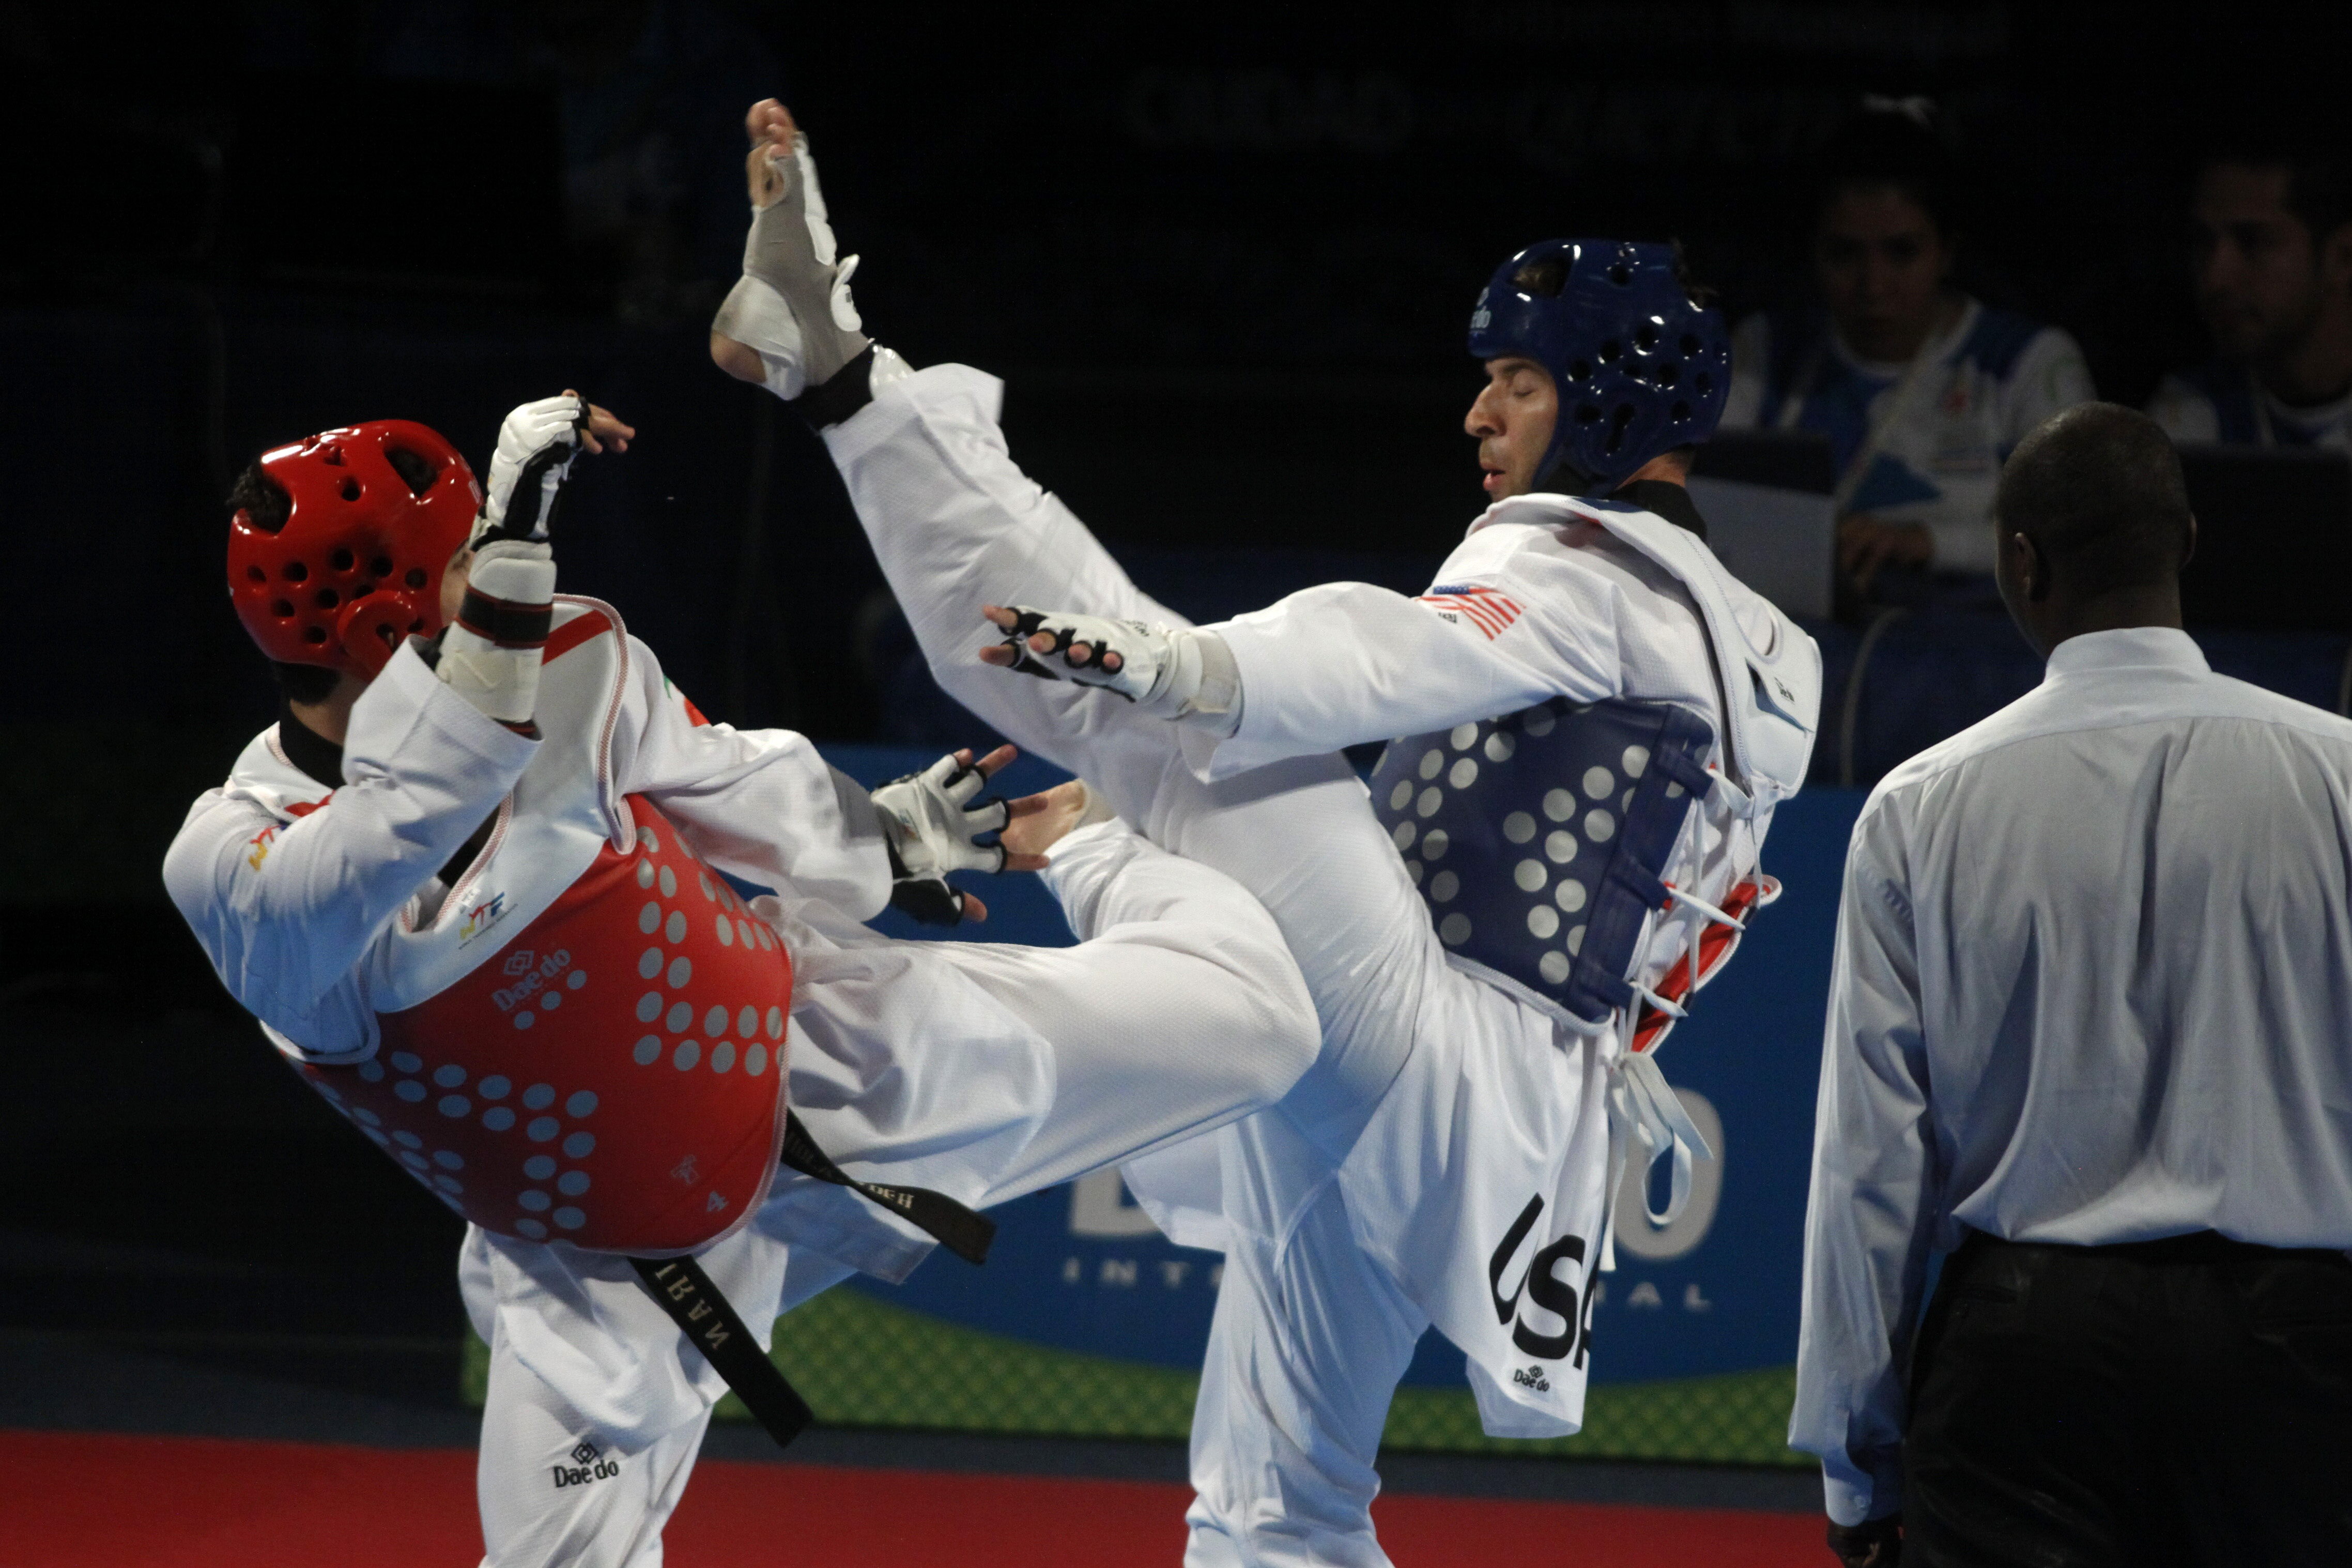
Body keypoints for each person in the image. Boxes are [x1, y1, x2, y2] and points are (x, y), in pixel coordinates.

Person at [712, 99, 1824, 1566]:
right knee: (1272, 1504)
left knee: (1149, 710)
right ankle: (843, 383)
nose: (1477, 416)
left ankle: (844, 380)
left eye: (1513, 381)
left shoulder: (1578, 560)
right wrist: (1124, 815)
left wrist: (1193, 675)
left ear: (1608, 404)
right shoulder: (1771, 653)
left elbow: (1382, 655)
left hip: (1424, 1022)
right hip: (1487, 1113)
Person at [163, 393, 1320, 1566]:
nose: (502, 577)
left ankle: (1103, 841)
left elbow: (733, 785)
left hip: (822, 1068)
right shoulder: (241, 875)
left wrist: (905, 838)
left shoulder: (572, 657)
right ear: (383, 625)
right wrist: (514, 531)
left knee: (1261, 1026)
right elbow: (423, 801)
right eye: (469, 560)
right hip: (599, 1269)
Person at [1791, 403, 2352, 1567]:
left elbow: (1869, 1168)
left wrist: (1855, 1461)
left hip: (2021, 1364)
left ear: (2020, 561)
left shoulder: (1917, 808)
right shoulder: (2338, 776)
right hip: (2295, 1353)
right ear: (2185, 542)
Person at [1720, 99, 2094, 592]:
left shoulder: (2027, 362)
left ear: (1947, 250)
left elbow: (2082, 535)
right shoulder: (1764, 350)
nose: (1872, 285)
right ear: (1812, 251)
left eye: (1901, 253)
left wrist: (1926, 542)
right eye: (1843, 254)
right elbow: (1699, 507)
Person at [2148, 143, 2352, 449]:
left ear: (2342, 258)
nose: (2216, 279)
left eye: (2253, 242)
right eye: (2204, 242)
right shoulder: (2191, 411)